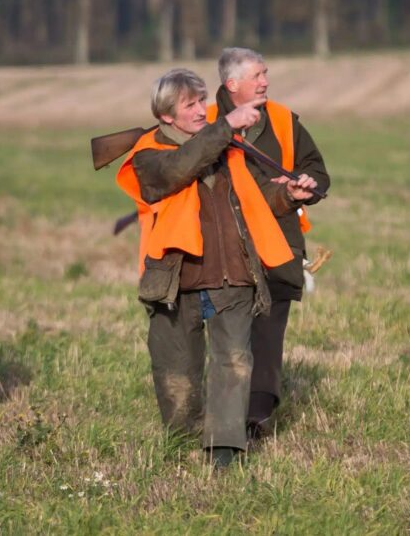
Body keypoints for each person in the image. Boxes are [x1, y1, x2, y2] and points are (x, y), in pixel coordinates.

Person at [116, 68, 317, 468]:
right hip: (176, 280)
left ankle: (224, 450)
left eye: (201, 101)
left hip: (233, 273)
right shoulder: (149, 155)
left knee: (235, 361)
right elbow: (178, 169)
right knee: (177, 371)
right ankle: (183, 442)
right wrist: (226, 126)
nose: (200, 110)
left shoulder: (224, 146)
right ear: (166, 115)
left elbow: (254, 197)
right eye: (189, 105)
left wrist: (288, 195)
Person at [208, 47, 330, 438]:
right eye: (257, 75)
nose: (265, 82)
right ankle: (223, 416)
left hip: (278, 243)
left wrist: (305, 184)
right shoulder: (206, 122)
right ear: (232, 84)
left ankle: (257, 418)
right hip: (227, 247)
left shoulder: (283, 119)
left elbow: (317, 170)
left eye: (266, 73)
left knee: (269, 333)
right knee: (231, 335)